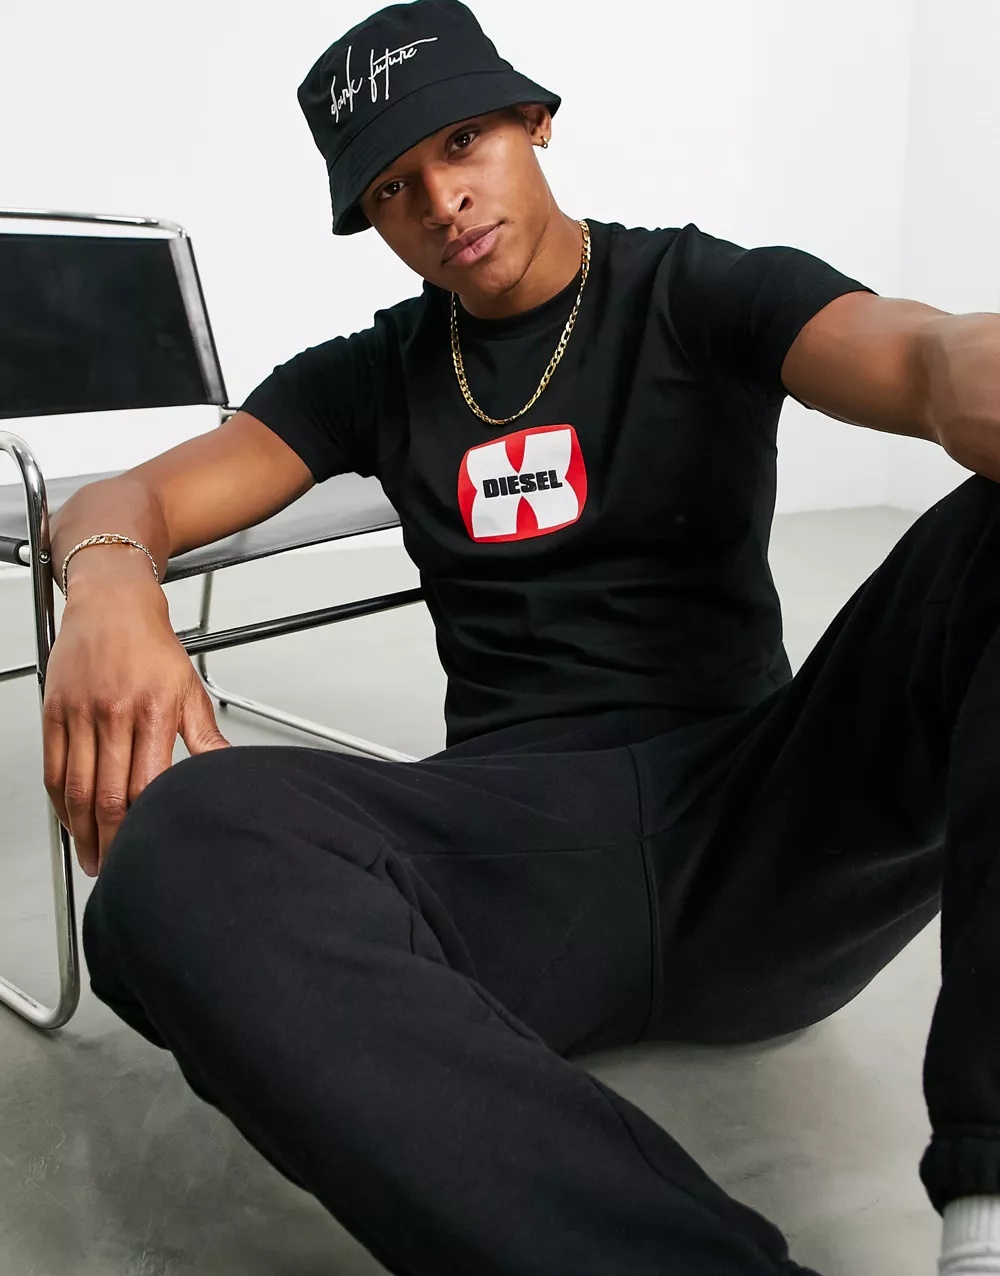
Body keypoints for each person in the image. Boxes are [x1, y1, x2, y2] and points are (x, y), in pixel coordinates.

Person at [43, 1, 1000, 1272]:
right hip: (524, 861)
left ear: (532, 121)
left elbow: (918, 352)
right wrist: (110, 585)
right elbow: (131, 498)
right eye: (392, 187)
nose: (439, 200)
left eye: (461, 143)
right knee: (179, 848)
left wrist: (962, 363)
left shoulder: (697, 288)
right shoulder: (373, 372)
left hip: (769, 828)